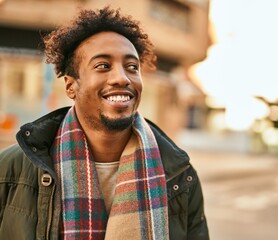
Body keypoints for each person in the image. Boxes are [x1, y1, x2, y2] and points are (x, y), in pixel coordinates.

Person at [0, 6, 209, 240]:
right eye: (103, 66)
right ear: (71, 86)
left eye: (132, 67)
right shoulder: (9, 169)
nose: (122, 77)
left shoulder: (181, 176)